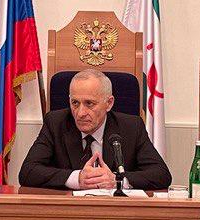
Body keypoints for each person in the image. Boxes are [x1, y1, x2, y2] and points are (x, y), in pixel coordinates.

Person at [19, 69, 171, 190]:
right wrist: (77, 178)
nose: (80, 113)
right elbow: (28, 172)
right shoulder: (55, 123)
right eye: (75, 103)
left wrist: (117, 180)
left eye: (89, 103)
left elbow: (161, 175)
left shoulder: (131, 127)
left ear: (109, 103)